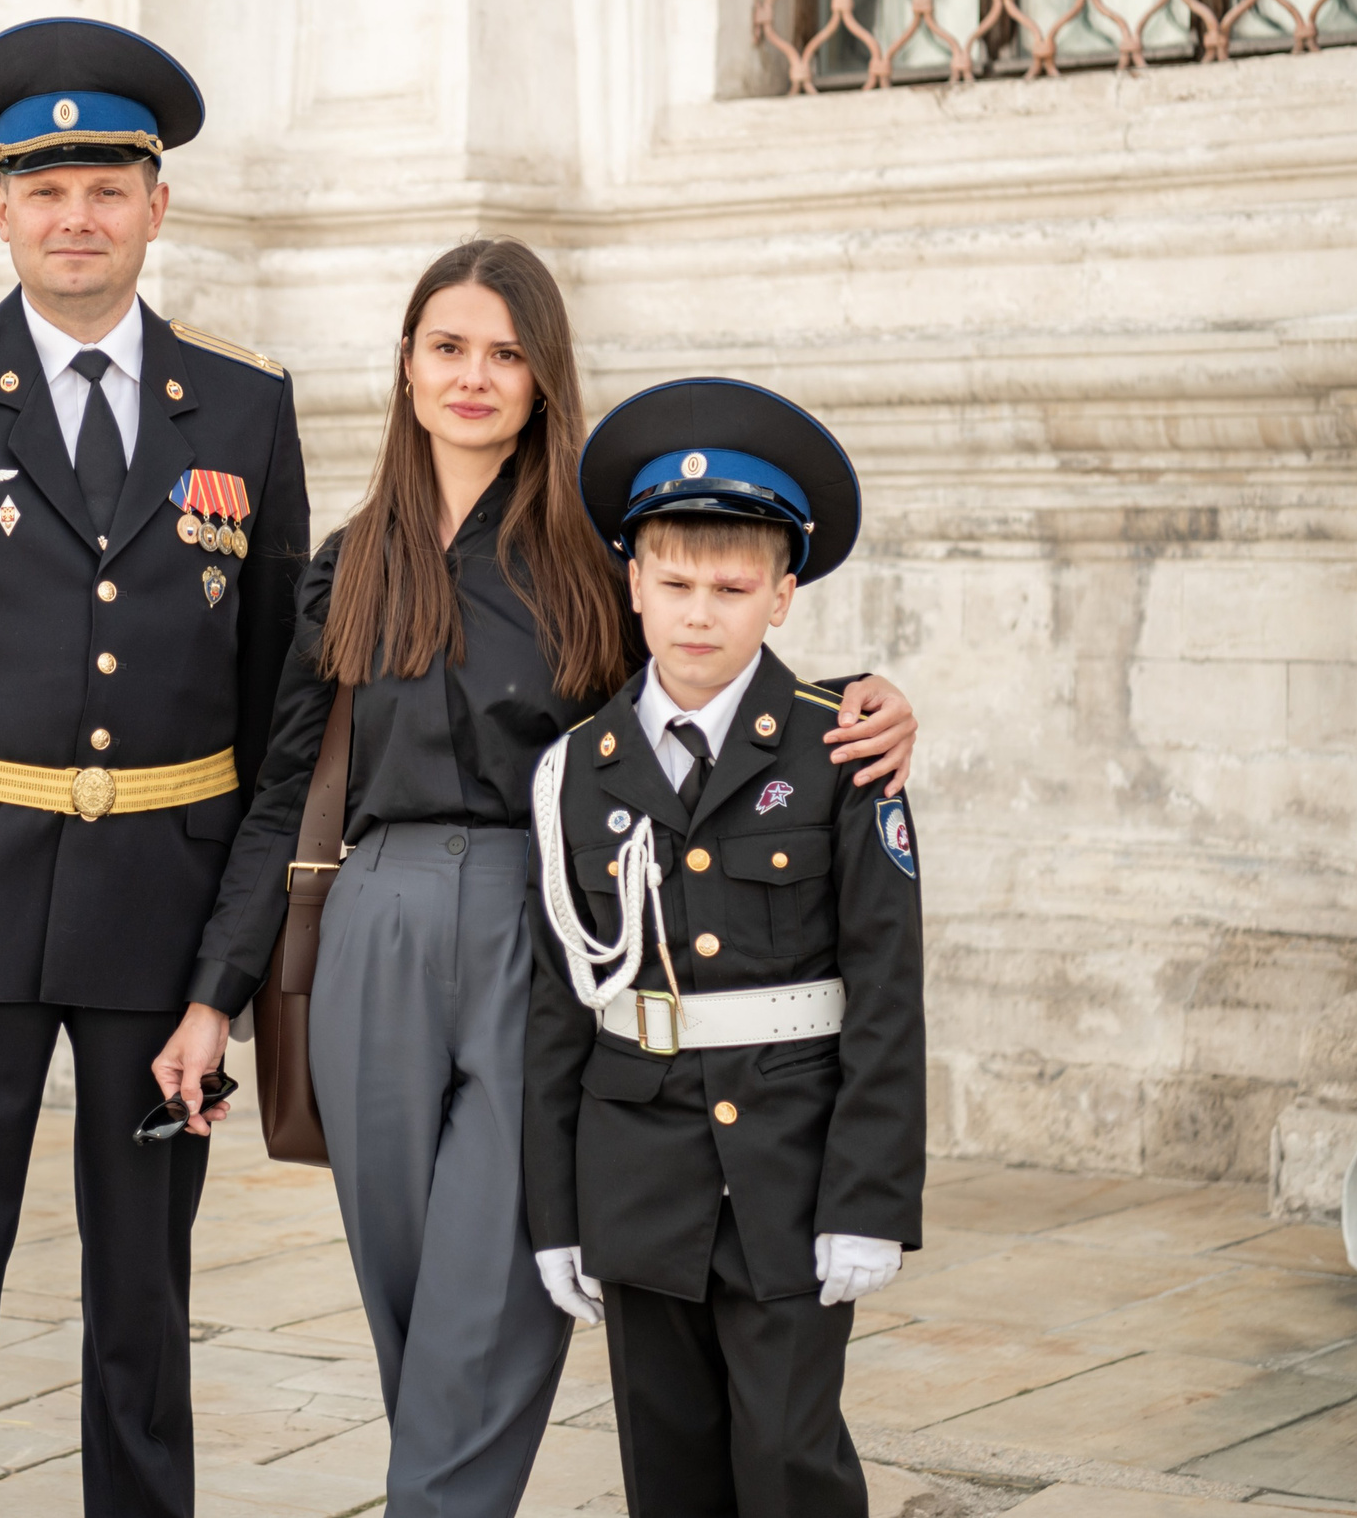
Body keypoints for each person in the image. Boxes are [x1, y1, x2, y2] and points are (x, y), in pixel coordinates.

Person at [191, 243, 920, 1517]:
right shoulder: (351, 557)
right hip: (374, 926)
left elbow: (705, 672)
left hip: (550, 933)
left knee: (494, 1289)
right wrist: (215, 992)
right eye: (448, 347)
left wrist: (863, 697)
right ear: (407, 366)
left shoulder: (597, 552)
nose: (475, 376)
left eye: (507, 353)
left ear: (544, 377)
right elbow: (283, 789)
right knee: (411, 1302)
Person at [0, 17, 312, 1518]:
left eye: (106, 185)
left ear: (159, 203)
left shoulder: (244, 403)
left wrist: (230, 961)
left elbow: (274, 695)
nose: (74, 216)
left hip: (160, 928)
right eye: (44, 188)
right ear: (1, 208)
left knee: (145, 1297)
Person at [524, 376, 926, 1518]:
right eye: (676, 581)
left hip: (791, 1178)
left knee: (791, 1457)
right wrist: (556, 1212)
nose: (701, 610)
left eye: (733, 585)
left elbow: (887, 991)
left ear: (783, 595)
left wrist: (871, 1196)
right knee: (669, 1466)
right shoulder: (577, 770)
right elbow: (560, 1007)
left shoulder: (839, 747)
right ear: (634, 583)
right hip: (636, 1171)